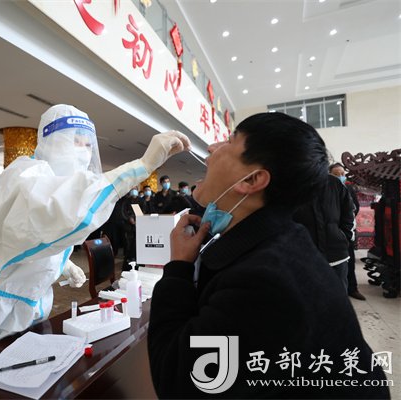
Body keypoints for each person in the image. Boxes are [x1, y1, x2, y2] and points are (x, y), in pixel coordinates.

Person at [148, 112, 389, 398]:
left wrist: (178, 269)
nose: (211, 148)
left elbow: (177, 383)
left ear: (252, 179)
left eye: (230, 141)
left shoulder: (262, 282)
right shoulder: (282, 241)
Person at [0, 104, 190, 357]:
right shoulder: (26, 174)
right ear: (52, 140)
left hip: (30, 304)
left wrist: (62, 264)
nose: (84, 152)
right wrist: (142, 165)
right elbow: (62, 208)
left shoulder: (50, 180)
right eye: (76, 141)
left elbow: (35, 237)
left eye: (88, 144)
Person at [294, 167, 355, 292]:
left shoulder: (334, 183)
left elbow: (348, 211)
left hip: (336, 255)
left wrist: (343, 236)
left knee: (338, 296)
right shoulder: (291, 185)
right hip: (303, 255)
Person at [330, 162, 365, 300]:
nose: (340, 177)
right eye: (336, 174)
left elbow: (356, 207)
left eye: (342, 174)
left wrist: (347, 227)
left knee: (350, 262)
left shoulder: (349, 188)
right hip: (332, 231)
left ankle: (352, 288)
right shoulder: (327, 189)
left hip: (346, 231)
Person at [120, 186, 143, 269]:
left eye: (135, 189)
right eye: (132, 189)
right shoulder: (126, 201)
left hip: (139, 225)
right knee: (129, 244)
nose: (134, 191)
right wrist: (129, 218)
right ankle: (128, 261)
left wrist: (138, 219)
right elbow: (123, 212)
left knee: (138, 243)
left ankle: (137, 260)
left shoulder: (141, 200)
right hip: (128, 226)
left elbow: (144, 211)